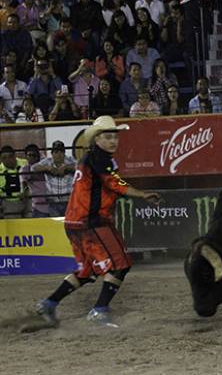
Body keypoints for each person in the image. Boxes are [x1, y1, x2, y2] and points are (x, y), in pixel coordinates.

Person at [35, 116, 162, 327]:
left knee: (87, 271)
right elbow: (115, 184)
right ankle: (99, 311)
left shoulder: (90, 159)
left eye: (115, 137)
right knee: (120, 264)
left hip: (74, 222)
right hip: (92, 222)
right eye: (108, 136)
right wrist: (142, 194)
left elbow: (109, 185)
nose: (113, 141)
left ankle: (49, 303)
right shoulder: (100, 159)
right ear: (97, 139)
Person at [32, 140, 76, 216]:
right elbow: (33, 168)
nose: (59, 154)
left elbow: (80, 167)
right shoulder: (48, 161)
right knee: (56, 224)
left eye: (61, 152)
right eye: (56, 152)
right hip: (53, 202)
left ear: (64, 153)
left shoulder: (70, 160)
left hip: (69, 201)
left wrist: (67, 168)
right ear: (52, 153)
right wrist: (47, 168)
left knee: (68, 224)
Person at [20, 144, 48, 218]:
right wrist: (23, 192)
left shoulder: (46, 165)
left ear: (38, 155)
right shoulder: (25, 169)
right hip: (38, 206)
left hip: (52, 204)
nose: (32, 157)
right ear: (26, 156)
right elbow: (23, 184)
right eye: (30, 155)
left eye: (34, 155)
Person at [0, 145, 28, 218]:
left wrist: (26, 191)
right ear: (1, 160)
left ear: (15, 155)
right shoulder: (0, 171)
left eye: (10, 156)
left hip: (28, 199)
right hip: (9, 202)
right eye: (4, 158)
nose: (8, 160)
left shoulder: (25, 163)